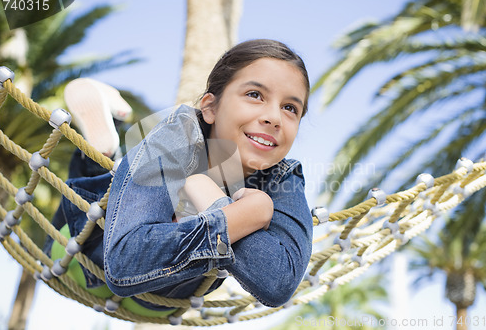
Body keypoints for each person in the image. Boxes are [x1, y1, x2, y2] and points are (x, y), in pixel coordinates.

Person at [47, 39, 313, 310]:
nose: (275, 117)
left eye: (290, 108)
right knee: (102, 197)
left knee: (154, 299)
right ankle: (102, 154)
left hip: (161, 303)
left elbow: (280, 283)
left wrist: (215, 203)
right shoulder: (179, 136)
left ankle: (107, 152)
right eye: (255, 94)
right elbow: (124, 262)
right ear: (210, 107)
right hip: (79, 249)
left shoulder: (284, 178)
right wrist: (247, 215)